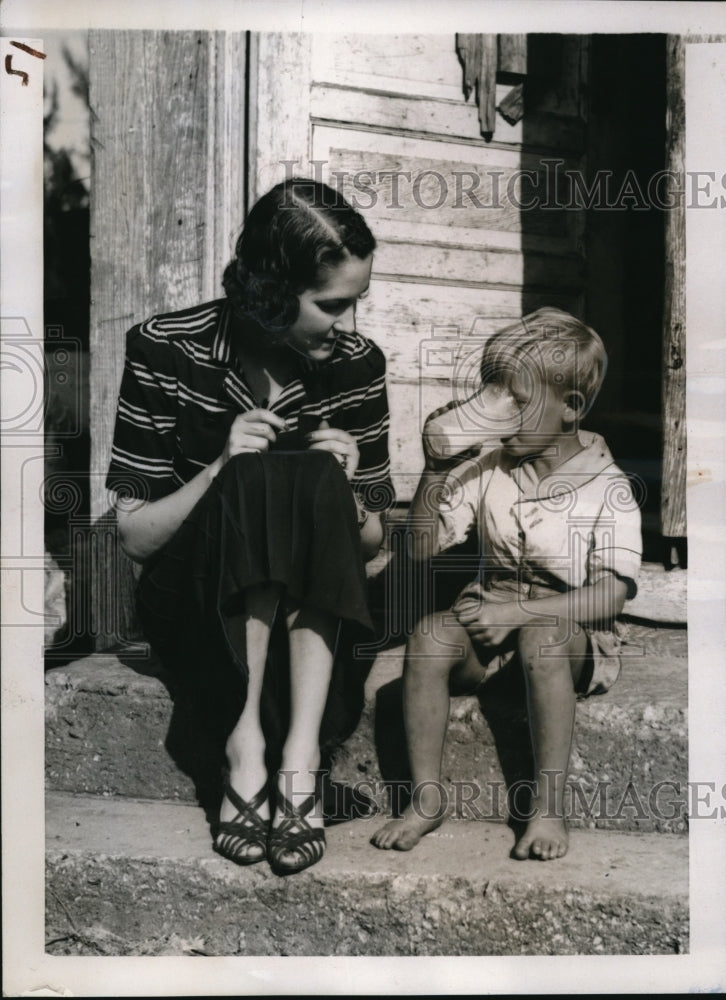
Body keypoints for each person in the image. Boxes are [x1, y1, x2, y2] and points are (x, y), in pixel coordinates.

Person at [106, 178, 394, 876]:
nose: (345, 323)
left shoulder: (357, 365)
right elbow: (136, 538)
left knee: (315, 473)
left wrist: (350, 491)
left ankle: (296, 760)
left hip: (321, 612)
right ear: (270, 292)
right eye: (330, 305)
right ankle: (243, 745)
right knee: (254, 472)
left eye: (353, 303)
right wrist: (218, 468)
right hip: (197, 603)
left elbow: (375, 550)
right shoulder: (166, 348)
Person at [371, 307, 641, 861]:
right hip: (490, 624)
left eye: (517, 400)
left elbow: (609, 596)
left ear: (571, 408)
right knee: (428, 635)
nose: (499, 411)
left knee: (541, 638)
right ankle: (425, 798)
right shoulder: (490, 466)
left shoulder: (607, 487)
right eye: (489, 392)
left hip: (570, 639)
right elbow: (419, 548)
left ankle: (547, 809)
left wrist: (515, 615)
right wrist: (436, 469)